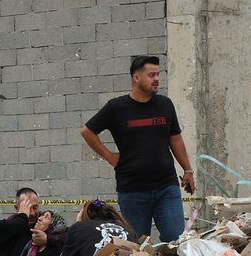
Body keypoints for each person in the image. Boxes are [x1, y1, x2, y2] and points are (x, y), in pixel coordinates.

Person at [80, 55, 195, 243]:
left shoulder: (165, 104)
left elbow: (175, 138)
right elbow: (87, 131)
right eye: (151, 75)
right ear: (136, 77)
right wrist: (109, 156)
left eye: (158, 74)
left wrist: (187, 169)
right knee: (135, 244)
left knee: (176, 241)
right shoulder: (117, 107)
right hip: (132, 190)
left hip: (166, 186)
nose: (157, 78)